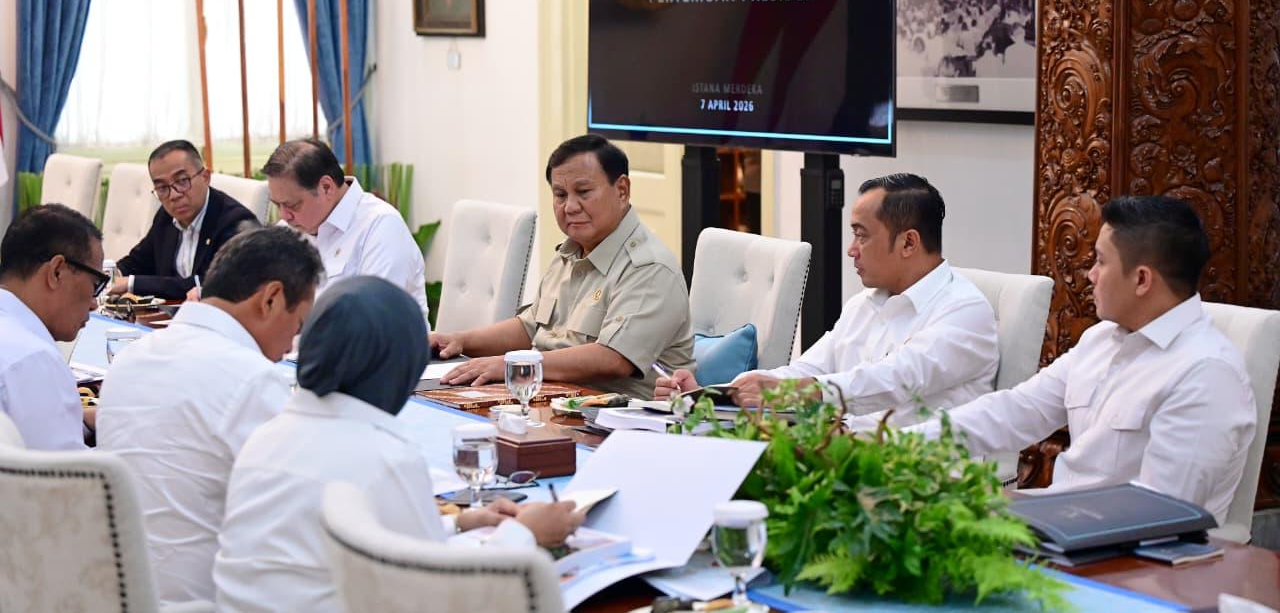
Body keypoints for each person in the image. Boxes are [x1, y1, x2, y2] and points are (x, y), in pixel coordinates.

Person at [213, 276, 584, 613]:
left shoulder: (266, 435)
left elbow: (380, 548)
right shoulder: (384, 456)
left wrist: (459, 523)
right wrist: (526, 534)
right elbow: (440, 594)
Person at [907, 196, 1255, 523]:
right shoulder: (1102, 339)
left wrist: (1006, 512)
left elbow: (1157, 518)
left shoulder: (1207, 374)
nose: (1090, 274)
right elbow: (1014, 411)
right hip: (1059, 531)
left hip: (1130, 566)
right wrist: (901, 445)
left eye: (1101, 261)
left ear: (1142, 279)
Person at [656, 174, 998, 429]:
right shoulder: (865, 304)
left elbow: (893, 380)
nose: (851, 249)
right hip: (836, 454)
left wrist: (793, 393)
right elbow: (806, 371)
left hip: (917, 480)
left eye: (862, 236)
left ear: (909, 243)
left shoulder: (965, 313)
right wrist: (709, 395)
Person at [97, 227, 323, 604]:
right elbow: (296, 519)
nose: (290, 348)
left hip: (117, 596)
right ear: (270, 299)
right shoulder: (252, 380)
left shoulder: (128, 360)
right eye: (297, 326)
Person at [436, 135, 694, 400]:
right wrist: (458, 340)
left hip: (618, 420)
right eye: (560, 195)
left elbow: (613, 358)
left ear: (622, 190)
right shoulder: (571, 250)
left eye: (583, 192)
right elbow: (529, 328)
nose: (570, 207)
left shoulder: (650, 267)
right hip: (552, 400)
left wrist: (513, 365)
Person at [263, 138, 429, 323]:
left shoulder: (381, 226)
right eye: (277, 205)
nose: (284, 216)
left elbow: (373, 322)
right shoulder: (289, 230)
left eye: (292, 205)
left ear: (326, 187)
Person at [0, 204, 104, 449]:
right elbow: (69, 481)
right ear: (57, 272)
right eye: (95, 284)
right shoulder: (34, 360)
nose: (94, 304)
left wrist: (80, 419)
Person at [112, 140, 259, 300]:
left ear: (205, 177)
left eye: (182, 181)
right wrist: (112, 274)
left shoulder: (236, 224)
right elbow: (139, 262)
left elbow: (211, 285)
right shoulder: (166, 216)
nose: (174, 195)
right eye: (162, 188)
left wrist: (131, 283)